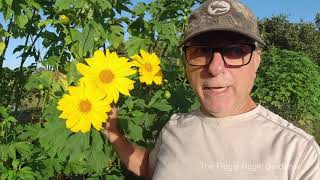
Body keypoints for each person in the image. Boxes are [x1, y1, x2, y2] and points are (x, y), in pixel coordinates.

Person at [103, 0, 320, 179]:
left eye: (235, 50)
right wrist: (112, 132)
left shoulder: (299, 155)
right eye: (201, 51)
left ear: (256, 62)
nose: (215, 68)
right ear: (186, 64)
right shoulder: (174, 127)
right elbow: (151, 169)